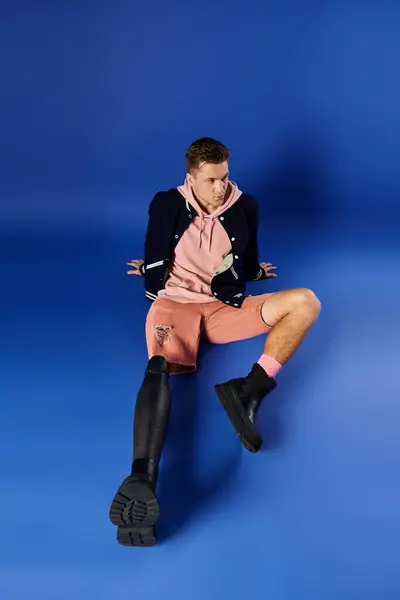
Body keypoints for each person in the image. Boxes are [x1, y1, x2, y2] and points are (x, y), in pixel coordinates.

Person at [109, 137, 321, 547]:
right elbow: (155, 248)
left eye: (224, 177)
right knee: (158, 367)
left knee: (305, 302)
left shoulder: (245, 206)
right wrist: (152, 272)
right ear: (191, 177)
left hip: (222, 307)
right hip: (174, 306)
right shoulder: (167, 203)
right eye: (211, 180)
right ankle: (142, 477)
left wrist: (256, 273)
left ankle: (250, 390)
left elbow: (247, 256)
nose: (221, 187)